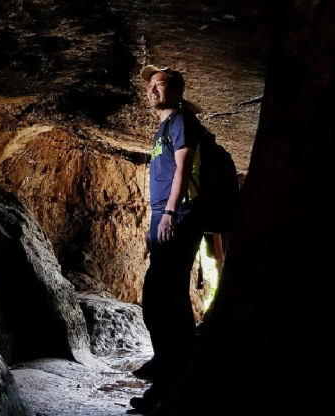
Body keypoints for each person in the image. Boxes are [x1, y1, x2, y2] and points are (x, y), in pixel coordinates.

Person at [129, 65, 205, 414]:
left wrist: (171, 213)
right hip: (164, 214)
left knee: (165, 298)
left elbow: (185, 164)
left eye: (160, 85)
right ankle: (169, 369)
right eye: (151, 86)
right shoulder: (164, 127)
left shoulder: (181, 121)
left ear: (177, 92)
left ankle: (172, 381)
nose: (153, 90)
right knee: (160, 297)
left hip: (179, 214)